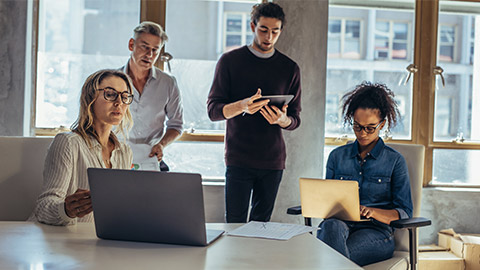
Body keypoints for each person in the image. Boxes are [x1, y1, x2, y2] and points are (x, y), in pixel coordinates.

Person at [207, 2, 302, 223]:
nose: (269, 36)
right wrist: (242, 106)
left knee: (261, 228)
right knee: (235, 225)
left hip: (273, 160)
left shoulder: (290, 68)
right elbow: (213, 111)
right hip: (238, 158)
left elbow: (295, 119)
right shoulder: (229, 61)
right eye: (263, 30)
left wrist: (282, 120)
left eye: (275, 31)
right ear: (252, 26)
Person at [317, 82, 413, 266]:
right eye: (357, 126)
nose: (363, 133)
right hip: (339, 226)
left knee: (332, 256)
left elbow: (405, 212)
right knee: (330, 226)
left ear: (382, 124)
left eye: (370, 127)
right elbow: (327, 204)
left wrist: (373, 212)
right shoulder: (336, 157)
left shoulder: (395, 161)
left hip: (376, 233)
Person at [30, 69, 134, 226]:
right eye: (110, 94)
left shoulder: (124, 152)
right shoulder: (67, 143)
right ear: (90, 98)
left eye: (125, 96)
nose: (119, 102)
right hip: (60, 241)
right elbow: (43, 206)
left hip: (97, 241)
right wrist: (66, 210)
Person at [120, 21, 183, 171]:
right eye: (145, 47)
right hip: (118, 158)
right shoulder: (113, 81)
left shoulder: (168, 83)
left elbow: (176, 125)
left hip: (151, 159)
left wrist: (161, 144)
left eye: (155, 50)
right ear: (131, 45)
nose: (149, 55)